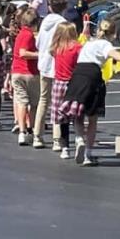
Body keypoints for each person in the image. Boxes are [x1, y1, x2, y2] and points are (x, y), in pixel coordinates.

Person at [58, 20, 120, 166]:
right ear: (113, 33)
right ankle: (88, 154)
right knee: (92, 118)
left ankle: (79, 139)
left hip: (78, 74)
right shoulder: (106, 44)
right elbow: (115, 55)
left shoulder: (89, 43)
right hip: (93, 75)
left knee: (78, 114)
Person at [33, 0, 69, 150]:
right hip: (58, 66)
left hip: (44, 65)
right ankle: (56, 139)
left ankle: (37, 136)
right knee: (58, 103)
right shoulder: (63, 24)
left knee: (43, 100)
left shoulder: (44, 23)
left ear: (49, 7)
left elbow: (38, 43)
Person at [49, 22, 81, 159]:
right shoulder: (77, 48)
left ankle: (65, 148)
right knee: (77, 114)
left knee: (62, 118)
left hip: (58, 84)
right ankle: (79, 139)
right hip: (73, 83)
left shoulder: (56, 48)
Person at [11, 8, 40, 146]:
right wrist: (40, 55)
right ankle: (32, 130)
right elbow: (23, 53)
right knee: (34, 104)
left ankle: (22, 132)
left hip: (16, 72)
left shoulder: (21, 34)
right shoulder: (28, 35)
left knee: (22, 102)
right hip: (28, 72)